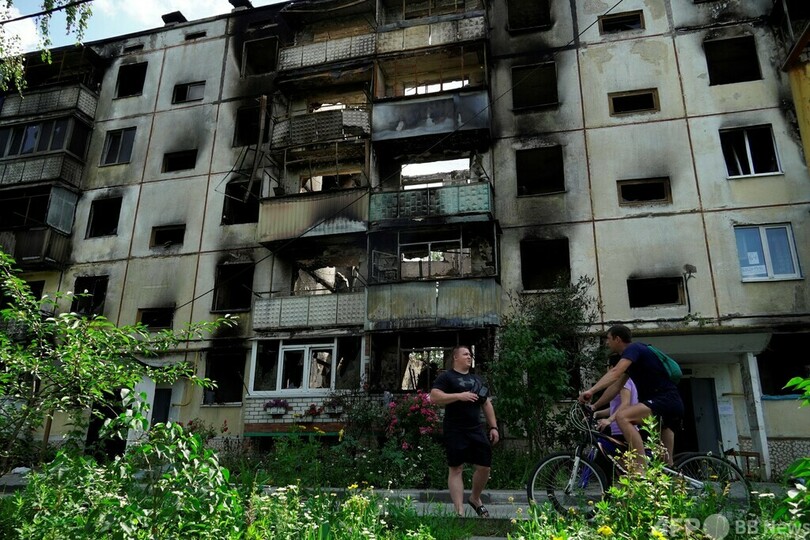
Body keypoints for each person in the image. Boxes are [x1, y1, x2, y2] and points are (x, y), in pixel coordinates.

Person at [578, 324, 684, 470]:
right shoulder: (633, 362)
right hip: (668, 403)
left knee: (622, 417)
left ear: (617, 339)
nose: (607, 343)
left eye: (608, 339)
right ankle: (675, 478)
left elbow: (615, 372)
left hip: (664, 401)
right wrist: (595, 406)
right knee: (665, 465)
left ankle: (640, 467)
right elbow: (616, 387)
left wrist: (591, 391)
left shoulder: (634, 348)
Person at [430, 345, 499, 518]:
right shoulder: (447, 377)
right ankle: (459, 511)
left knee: (484, 467)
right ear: (455, 357)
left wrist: (493, 427)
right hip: (455, 429)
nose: (469, 356)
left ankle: (475, 498)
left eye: (470, 354)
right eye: (465, 354)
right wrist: (459, 396)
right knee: (456, 468)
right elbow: (434, 397)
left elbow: (486, 403)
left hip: (475, 428)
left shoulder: (477, 379)